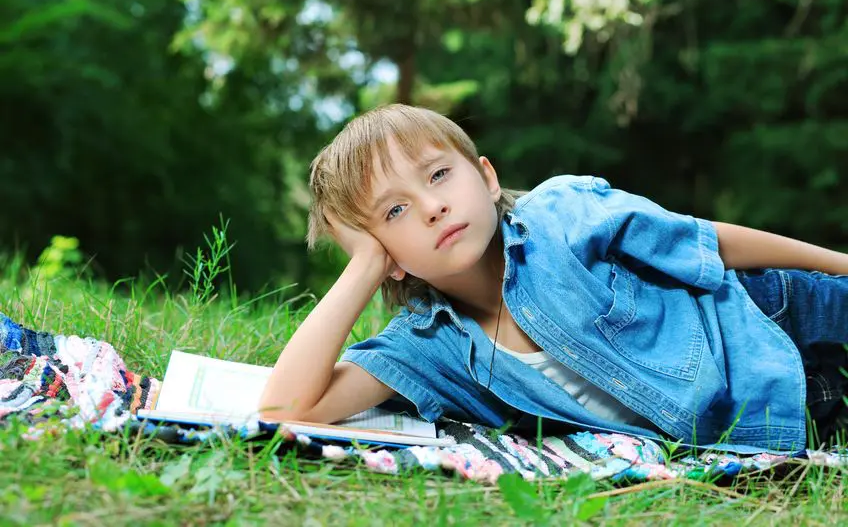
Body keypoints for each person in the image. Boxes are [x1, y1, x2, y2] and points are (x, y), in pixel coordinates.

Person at [259, 104, 848, 452]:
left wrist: (840, 265)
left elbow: (706, 240)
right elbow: (284, 408)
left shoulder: (559, 215)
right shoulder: (426, 348)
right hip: (783, 417)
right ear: (389, 256)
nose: (431, 207)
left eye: (438, 175)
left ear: (486, 178)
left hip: (776, 318)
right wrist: (363, 266)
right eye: (394, 213)